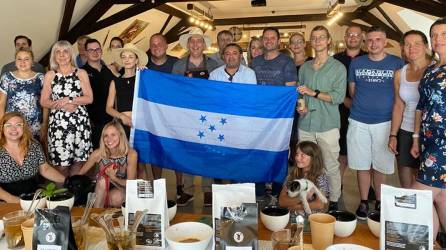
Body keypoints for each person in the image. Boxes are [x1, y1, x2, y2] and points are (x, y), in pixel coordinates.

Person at [348, 26, 404, 219]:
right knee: (362, 164)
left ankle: (380, 202)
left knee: (381, 166)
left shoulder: (397, 63)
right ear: (365, 42)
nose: (373, 44)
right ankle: (364, 202)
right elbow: (353, 91)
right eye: (370, 40)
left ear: (385, 41)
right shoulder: (357, 63)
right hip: (358, 120)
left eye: (377, 40)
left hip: (385, 122)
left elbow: (400, 96)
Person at [297, 25, 346, 211]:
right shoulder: (305, 67)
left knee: (330, 165)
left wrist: (313, 93)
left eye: (321, 37)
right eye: (314, 37)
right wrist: (301, 106)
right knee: (305, 164)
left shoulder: (338, 68)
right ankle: (308, 196)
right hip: (306, 124)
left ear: (328, 41)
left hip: (328, 125)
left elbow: (338, 97)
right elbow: (300, 94)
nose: (317, 41)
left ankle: (334, 200)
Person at [172, 27, 219, 207]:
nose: (195, 44)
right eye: (192, 41)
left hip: (208, 115)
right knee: (188, 151)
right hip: (186, 115)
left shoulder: (214, 65)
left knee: (207, 151)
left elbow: (218, 90)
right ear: (188, 44)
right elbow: (173, 90)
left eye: (199, 41)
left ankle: (208, 190)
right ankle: (188, 190)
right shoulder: (178, 65)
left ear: (204, 44)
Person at [410, 18, 446, 238]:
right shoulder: (431, 70)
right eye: (434, 35)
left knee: (418, 198)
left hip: (443, 147)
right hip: (429, 141)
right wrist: (416, 137)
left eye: (443, 34)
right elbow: (421, 106)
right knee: (441, 197)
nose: (437, 39)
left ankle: (425, 244)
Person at [251, 27, 297, 198]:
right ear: (263, 41)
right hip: (259, 117)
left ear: (278, 41)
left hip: (279, 117)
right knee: (259, 151)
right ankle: (260, 187)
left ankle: (278, 188)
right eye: (266, 38)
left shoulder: (287, 62)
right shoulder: (255, 62)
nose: (269, 41)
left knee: (279, 152)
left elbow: (289, 92)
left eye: (272, 38)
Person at [40, 40, 93, 177]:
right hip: (59, 126)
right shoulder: (50, 75)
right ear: (54, 56)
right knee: (61, 166)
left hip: (80, 124)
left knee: (78, 163)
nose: (62, 55)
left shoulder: (81, 73)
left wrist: (69, 99)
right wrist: (63, 105)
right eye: (58, 52)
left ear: (70, 54)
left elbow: (89, 98)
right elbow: (44, 101)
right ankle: (62, 197)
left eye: (65, 51)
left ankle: (75, 196)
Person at [388, 30, 430, 188]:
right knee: (406, 184)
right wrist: (393, 135)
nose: (412, 48)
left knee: (424, 182)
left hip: (428, 132)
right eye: (407, 45)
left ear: (426, 46)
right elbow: (399, 106)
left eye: (417, 44)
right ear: (402, 48)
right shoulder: (400, 74)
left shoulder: (436, 70)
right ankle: (409, 212)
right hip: (405, 130)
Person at [0, 112, 65, 203]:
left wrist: (67, 180)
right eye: (8, 125)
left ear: (24, 128)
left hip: (33, 196)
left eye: (18, 125)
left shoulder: (34, 145)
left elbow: (45, 169)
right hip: (5, 199)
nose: (13, 129)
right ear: (2, 128)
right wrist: (14, 200)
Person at [106, 43, 149, 180]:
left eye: (131, 56)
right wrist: (122, 117)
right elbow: (108, 107)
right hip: (123, 127)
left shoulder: (142, 78)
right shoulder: (115, 82)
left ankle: (145, 196)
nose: (127, 59)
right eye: (124, 57)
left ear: (137, 60)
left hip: (139, 126)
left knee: (141, 165)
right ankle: (127, 197)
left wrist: (146, 73)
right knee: (125, 163)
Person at [333, 25, 367, 184]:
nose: (353, 37)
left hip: (365, 113)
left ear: (362, 38)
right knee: (342, 155)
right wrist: (344, 100)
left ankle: (368, 194)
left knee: (366, 157)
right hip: (340, 112)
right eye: (349, 34)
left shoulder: (369, 58)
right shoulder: (335, 60)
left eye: (356, 35)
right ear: (345, 38)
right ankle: (336, 193)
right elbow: (329, 86)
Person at [78, 121, 137, 208]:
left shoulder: (131, 154)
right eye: (106, 136)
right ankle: (96, 214)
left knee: (116, 198)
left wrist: (114, 178)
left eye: (113, 135)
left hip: (122, 188)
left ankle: (103, 210)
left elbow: (131, 183)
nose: (109, 139)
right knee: (102, 180)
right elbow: (80, 174)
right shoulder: (98, 154)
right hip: (100, 188)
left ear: (121, 135)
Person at [0, 48, 47, 140]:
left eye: (26, 59)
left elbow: (45, 103)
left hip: (34, 125)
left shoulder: (40, 78)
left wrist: (45, 123)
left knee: (33, 152)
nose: (23, 62)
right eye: (19, 59)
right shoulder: (6, 77)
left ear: (32, 62)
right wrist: (2, 124)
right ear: (15, 61)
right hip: (12, 125)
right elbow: (1, 103)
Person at [278, 141, 329, 215]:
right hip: (293, 217)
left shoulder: (320, 177)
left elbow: (320, 204)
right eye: (297, 154)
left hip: (312, 219)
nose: (298, 158)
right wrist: (303, 198)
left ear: (313, 158)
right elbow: (282, 201)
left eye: (302, 155)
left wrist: (296, 206)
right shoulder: (292, 175)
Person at [82, 39, 114, 149]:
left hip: (111, 120)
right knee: (97, 156)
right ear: (85, 52)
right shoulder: (81, 72)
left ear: (101, 51)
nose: (95, 53)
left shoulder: (108, 70)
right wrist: (88, 120)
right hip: (92, 122)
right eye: (91, 50)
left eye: (97, 49)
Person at [288, 32, 313, 166]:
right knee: (292, 140)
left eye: (299, 41)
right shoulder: (287, 63)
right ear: (290, 46)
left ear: (304, 44)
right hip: (290, 105)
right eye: (293, 42)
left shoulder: (312, 62)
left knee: (305, 141)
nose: (296, 44)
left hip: (307, 104)